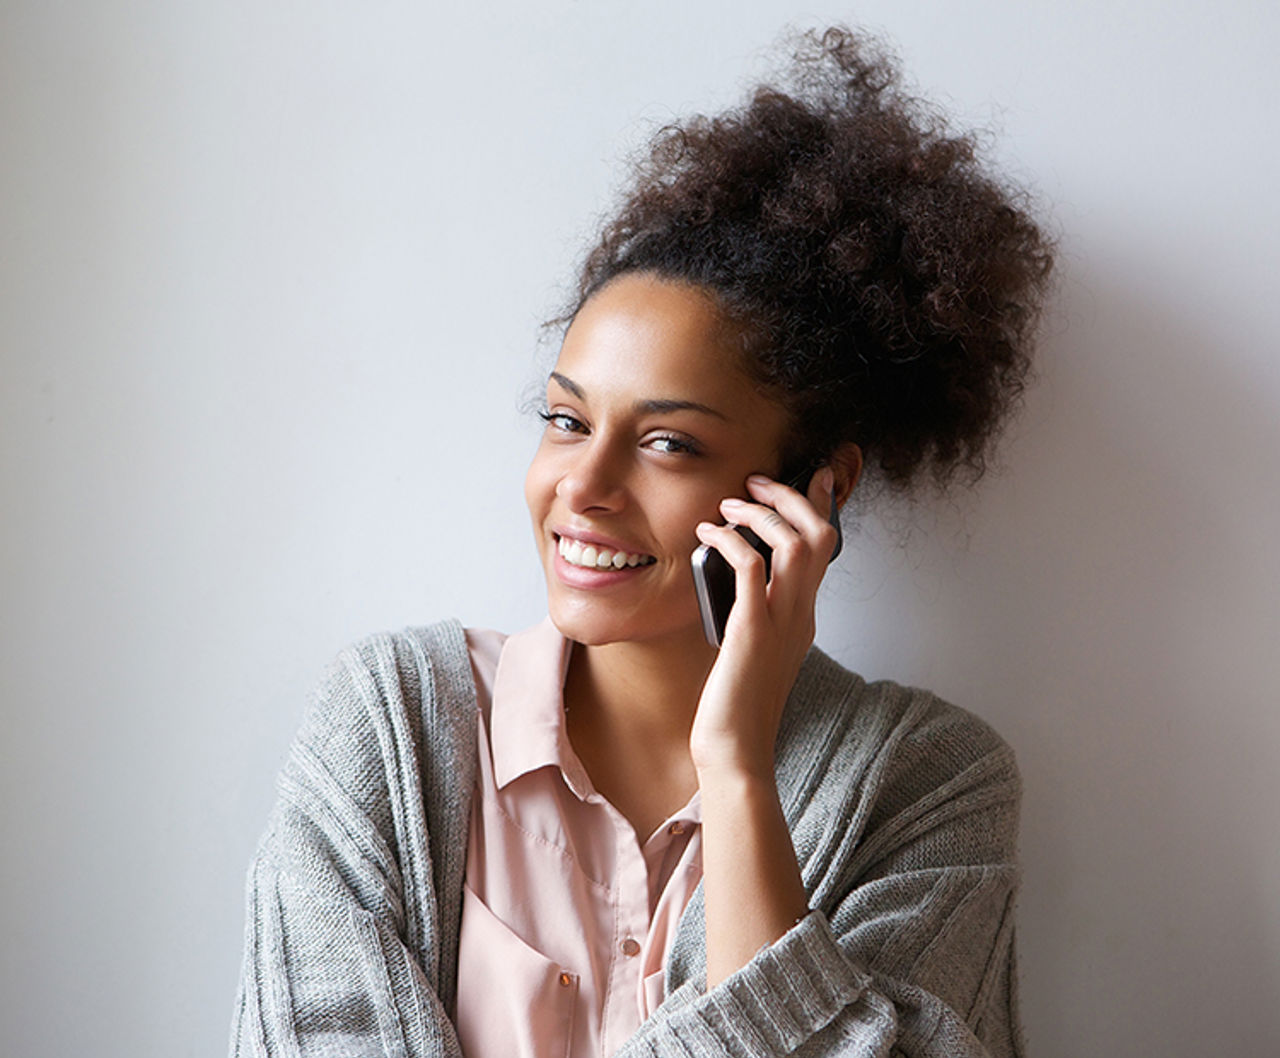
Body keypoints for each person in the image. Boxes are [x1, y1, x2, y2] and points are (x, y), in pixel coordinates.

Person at [229, 26, 1053, 1058]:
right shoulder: (392, 724)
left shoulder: (931, 779)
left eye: (666, 442)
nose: (582, 484)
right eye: (566, 420)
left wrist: (738, 766)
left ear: (817, 488)